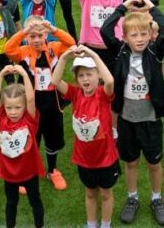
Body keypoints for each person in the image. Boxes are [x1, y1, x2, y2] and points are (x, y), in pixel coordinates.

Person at [99, 0, 164, 226]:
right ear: (125, 37)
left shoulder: (155, 52)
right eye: (134, 35)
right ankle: (132, 198)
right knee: (131, 162)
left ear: (150, 35)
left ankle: (156, 198)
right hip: (127, 120)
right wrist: (123, 8)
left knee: (154, 163)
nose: (139, 39)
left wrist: (151, 8)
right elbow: (105, 30)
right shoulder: (120, 51)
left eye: (144, 34)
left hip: (150, 119)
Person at [4, 17, 76, 191]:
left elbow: (71, 43)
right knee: (29, 140)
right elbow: (8, 49)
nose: (36, 40)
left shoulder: (55, 48)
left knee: (52, 139)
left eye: (40, 35)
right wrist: (23, 31)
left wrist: (53, 29)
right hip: (30, 107)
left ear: (46, 35)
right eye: (32, 36)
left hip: (53, 105)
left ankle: (52, 170)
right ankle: (28, 172)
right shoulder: (23, 52)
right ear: (27, 37)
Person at [52, 46, 119, 228]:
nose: (85, 79)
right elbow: (55, 80)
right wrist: (64, 57)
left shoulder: (103, 94)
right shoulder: (75, 94)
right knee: (90, 193)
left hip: (105, 158)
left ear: (98, 75)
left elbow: (110, 80)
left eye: (89, 74)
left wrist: (94, 55)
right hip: (84, 158)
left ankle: (105, 224)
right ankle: (91, 224)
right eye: (81, 75)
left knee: (106, 194)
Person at [0, 65, 45, 228]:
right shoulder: (2, 118)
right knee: (11, 202)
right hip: (9, 173)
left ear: (25, 106)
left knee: (35, 200)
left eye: (17, 107)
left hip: (29, 171)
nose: (13, 112)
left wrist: (24, 74)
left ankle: (39, 225)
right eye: (9, 107)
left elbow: (31, 99)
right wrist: (0, 75)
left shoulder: (29, 120)